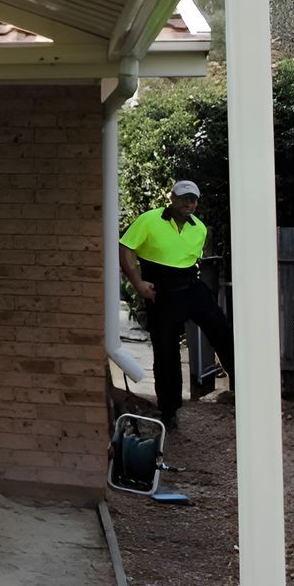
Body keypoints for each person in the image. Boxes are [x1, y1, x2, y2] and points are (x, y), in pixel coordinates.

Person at [119, 180, 234, 429]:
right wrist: (138, 283)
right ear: (171, 198)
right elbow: (125, 248)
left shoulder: (199, 228)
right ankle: (169, 412)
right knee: (166, 352)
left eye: (193, 200)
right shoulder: (148, 220)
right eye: (183, 198)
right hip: (161, 290)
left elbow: (191, 260)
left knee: (222, 330)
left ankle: (241, 387)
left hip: (190, 284)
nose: (188, 204)